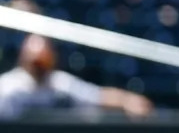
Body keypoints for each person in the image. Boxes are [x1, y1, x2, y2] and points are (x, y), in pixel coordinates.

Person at [0, 35, 153, 120]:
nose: (39, 65)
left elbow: (96, 96)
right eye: (35, 62)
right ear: (23, 58)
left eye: (42, 61)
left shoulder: (59, 83)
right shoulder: (8, 87)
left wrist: (126, 100)